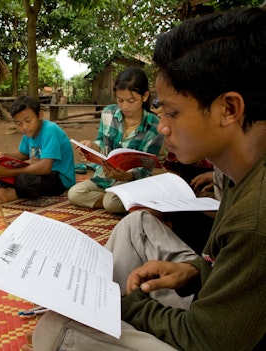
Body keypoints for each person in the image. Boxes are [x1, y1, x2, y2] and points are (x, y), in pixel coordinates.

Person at [24, 6, 266, 350]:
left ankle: (96, 308)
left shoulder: (255, 220)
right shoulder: (238, 172)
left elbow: (205, 338)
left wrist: (127, 307)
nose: (164, 125)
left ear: (229, 108)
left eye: (173, 112)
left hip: (211, 336)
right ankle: (94, 302)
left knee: (54, 330)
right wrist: (196, 270)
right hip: (222, 301)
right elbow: (224, 259)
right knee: (135, 224)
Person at [68, 67, 164, 213]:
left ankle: (117, 199)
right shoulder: (108, 113)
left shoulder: (155, 125)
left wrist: (126, 175)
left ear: (144, 96)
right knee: (74, 193)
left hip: (133, 181)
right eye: (120, 100)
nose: (124, 106)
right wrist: (91, 147)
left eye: (131, 101)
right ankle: (116, 199)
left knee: (112, 202)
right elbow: (101, 141)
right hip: (104, 176)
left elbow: (147, 166)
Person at [0, 95, 76, 203]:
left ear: (39, 115)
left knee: (24, 180)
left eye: (28, 121)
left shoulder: (50, 130)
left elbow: (45, 168)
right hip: (39, 173)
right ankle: (7, 189)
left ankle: (15, 193)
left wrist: (7, 173)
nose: (24, 127)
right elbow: (23, 154)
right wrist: (2, 156)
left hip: (59, 179)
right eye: (18, 123)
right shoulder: (29, 132)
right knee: (4, 169)